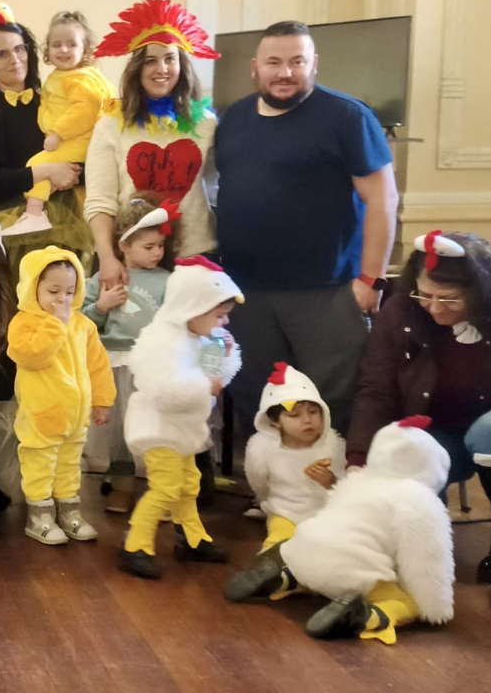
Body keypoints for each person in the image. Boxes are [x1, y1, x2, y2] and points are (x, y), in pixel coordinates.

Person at [216, 20, 397, 431]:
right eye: (274, 62)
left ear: (314, 63)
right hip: (246, 292)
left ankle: (334, 490)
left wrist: (372, 279)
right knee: (257, 400)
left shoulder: (348, 116)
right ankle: (272, 490)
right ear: (254, 67)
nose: (285, 72)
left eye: (297, 61)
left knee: (332, 403)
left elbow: (383, 199)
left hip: (327, 292)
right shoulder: (234, 119)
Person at [348, 231, 491, 582]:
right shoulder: (401, 311)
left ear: (481, 291)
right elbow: (376, 388)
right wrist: (359, 457)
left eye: (450, 299)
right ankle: (428, 553)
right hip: (435, 431)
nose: (435, 307)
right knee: (411, 449)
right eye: (425, 295)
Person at [227, 417, 455, 646]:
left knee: (319, 565)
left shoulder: (357, 480)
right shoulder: (419, 500)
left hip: (302, 549)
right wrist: (436, 608)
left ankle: (285, 577)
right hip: (349, 568)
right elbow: (428, 561)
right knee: (407, 603)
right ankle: (366, 616)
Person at [117, 256, 243, 579]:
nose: (224, 323)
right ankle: (136, 545)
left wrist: (222, 357)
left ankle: (192, 539)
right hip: (160, 431)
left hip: (184, 430)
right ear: (193, 308)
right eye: (219, 316)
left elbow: (213, 378)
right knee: (167, 488)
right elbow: (164, 390)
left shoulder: (199, 336)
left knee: (189, 485)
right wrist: (207, 385)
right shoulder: (160, 341)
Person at [87, 0, 220, 298]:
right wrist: (108, 257)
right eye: (150, 60)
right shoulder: (111, 125)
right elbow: (100, 200)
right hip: (132, 262)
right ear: (137, 67)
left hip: (195, 259)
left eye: (170, 59)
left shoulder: (207, 124)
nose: (162, 69)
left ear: (181, 64)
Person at [0, 0, 87, 277]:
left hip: (63, 224)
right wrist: (43, 171)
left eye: (20, 49)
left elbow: (77, 148)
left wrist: (73, 171)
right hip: (13, 233)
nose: (15, 59)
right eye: (2, 54)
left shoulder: (47, 102)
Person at [8, 247, 115, 546]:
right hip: (42, 415)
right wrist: (55, 324)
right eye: (53, 290)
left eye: (69, 291)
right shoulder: (25, 323)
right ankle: (39, 515)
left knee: (69, 465)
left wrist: (102, 400)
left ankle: (69, 511)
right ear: (33, 288)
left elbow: (98, 366)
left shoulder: (84, 326)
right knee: (39, 465)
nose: (62, 299)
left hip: (76, 417)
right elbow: (31, 356)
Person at [80, 199, 176, 509]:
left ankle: (162, 492)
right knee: (119, 430)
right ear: (124, 245)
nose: (157, 253)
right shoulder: (103, 280)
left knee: (155, 427)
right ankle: (121, 485)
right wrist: (102, 306)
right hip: (113, 365)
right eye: (149, 246)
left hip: (150, 366)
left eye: (160, 246)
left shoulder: (167, 281)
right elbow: (82, 324)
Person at [223, 362, 345, 598]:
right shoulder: (264, 450)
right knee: (278, 542)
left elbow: (347, 490)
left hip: (323, 517)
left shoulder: (334, 447)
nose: (307, 420)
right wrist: (265, 502)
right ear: (275, 421)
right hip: (285, 513)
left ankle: (290, 581)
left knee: (326, 550)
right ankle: (269, 573)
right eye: (295, 415)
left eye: (313, 412)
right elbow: (258, 483)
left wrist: (331, 481)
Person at [1, 9, 115, 238]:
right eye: (56, 44)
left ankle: (34, 213)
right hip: (72, 139)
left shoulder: (81, 78)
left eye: (71, 45)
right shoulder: (63, 75)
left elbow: (84, 110)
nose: (63, 50)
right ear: (47, 49)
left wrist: (58, 134)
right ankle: (42, 201)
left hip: (79, 140)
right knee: (45, 170)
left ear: (85, 50)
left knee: (37, 163)